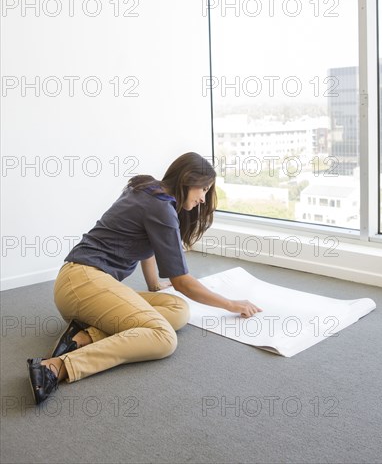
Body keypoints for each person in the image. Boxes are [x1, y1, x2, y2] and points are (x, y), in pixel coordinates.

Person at [27, 152, 262, 404]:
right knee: (164, 338)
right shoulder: (162, 207)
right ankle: (55, 367)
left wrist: (154, 286)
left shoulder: (149, 189)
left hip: (82, 282)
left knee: (178, 309)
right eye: (202, 189)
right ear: (187, 180)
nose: (203, 199)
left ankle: (83, 337)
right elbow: (182, 281)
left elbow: (148, 244)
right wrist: (231, 304)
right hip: (83, 283)